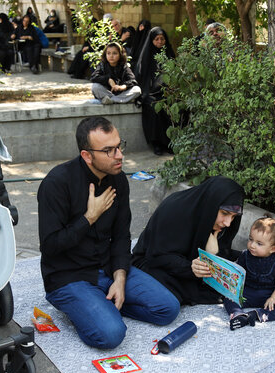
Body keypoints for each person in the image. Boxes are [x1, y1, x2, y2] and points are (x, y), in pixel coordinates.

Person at [37, 117, 180, 349]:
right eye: (109, 150)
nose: (119, 155)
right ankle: (87, 311)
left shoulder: (118, 180)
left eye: (119, 146)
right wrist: (89, 218)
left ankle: (103, 306)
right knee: (111, 335)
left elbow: (122, 235)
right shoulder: (57, 183)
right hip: (70, 277)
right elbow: (50, 246)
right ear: (87, 155)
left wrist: (120, 278)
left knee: (167, 309)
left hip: (107, 267)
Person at [132, 176, 245, 306]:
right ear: (211, 204)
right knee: (174, 294)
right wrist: (191, 268)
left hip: (190, 264)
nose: (228, 223)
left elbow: (223, 252)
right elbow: (156, 256)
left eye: (234, 216)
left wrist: (214, 254)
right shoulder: (174, 209)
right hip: (153, 261)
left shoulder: (219, 222)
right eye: (224, 213)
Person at [225, 216, 275, 330]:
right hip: (247, 292)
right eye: (251, 239)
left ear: (273, 249)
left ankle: (256, 315)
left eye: (259, 243)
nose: (252, 245)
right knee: (228, 297)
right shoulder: (245, 255)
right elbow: (238, 273)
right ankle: (237, 314)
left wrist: (274, 298)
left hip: (267, 294)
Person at [134, 27, 176, 155]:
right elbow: (141, 77)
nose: (160, 42)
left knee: (173, 106)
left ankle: (170, 143)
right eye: (156, 39)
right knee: (153, 107)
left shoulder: (169, 54)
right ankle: (157, 143)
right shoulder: (147, 56)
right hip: (150, 92)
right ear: (151, 40)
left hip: (168, 91)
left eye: (162, 39)